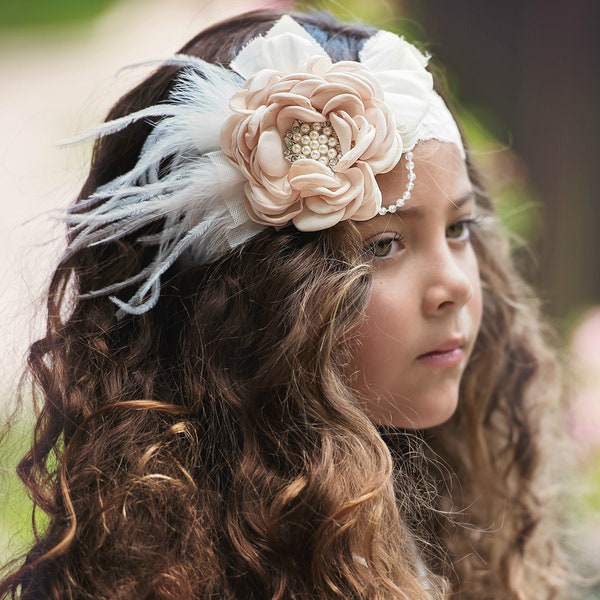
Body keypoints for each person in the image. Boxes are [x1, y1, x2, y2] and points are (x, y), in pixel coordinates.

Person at [0, 8, 569, 599]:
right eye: (383, 245)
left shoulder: (438, 515)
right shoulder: (181, 579)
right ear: (250, 304)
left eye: (458, 228)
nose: (454, 286)